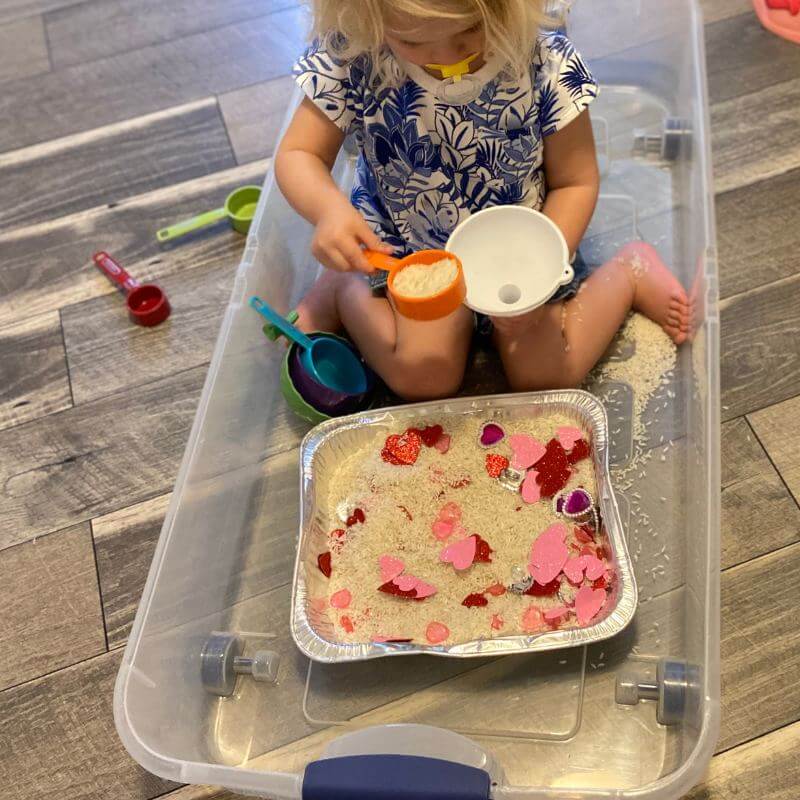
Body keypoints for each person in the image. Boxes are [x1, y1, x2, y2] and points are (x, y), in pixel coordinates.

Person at [275, 0, 689, 401]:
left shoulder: (543, 58)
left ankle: (629, 273)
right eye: (413, 43)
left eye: (471, 31)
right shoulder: (354, 50)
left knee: (545, 377)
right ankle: (343, 289)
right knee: (424, 378)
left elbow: (576, 182)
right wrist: (329, 211)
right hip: (410, 254)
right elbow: (299, 154)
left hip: (520, 255)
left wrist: (539, 275)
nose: (446, 58)